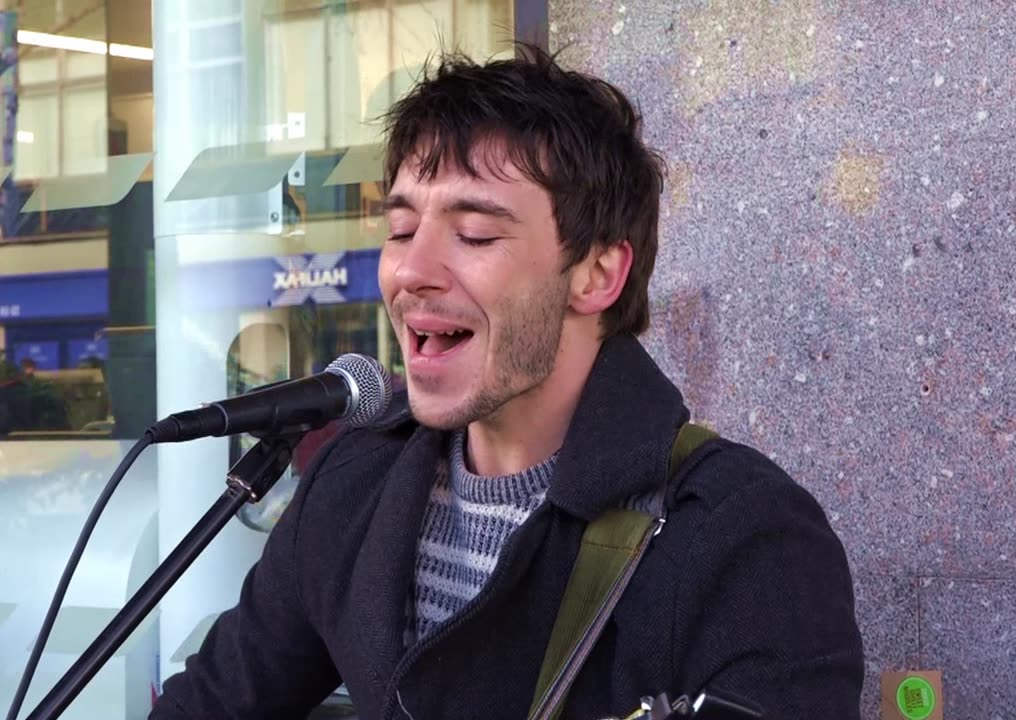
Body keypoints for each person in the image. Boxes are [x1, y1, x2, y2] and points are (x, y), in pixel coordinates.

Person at [151, 44, 864, 719]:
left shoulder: (744, 539)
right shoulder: (353, 484)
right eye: (400, 231)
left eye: (476, 235)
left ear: (597, 274)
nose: (412, 271)